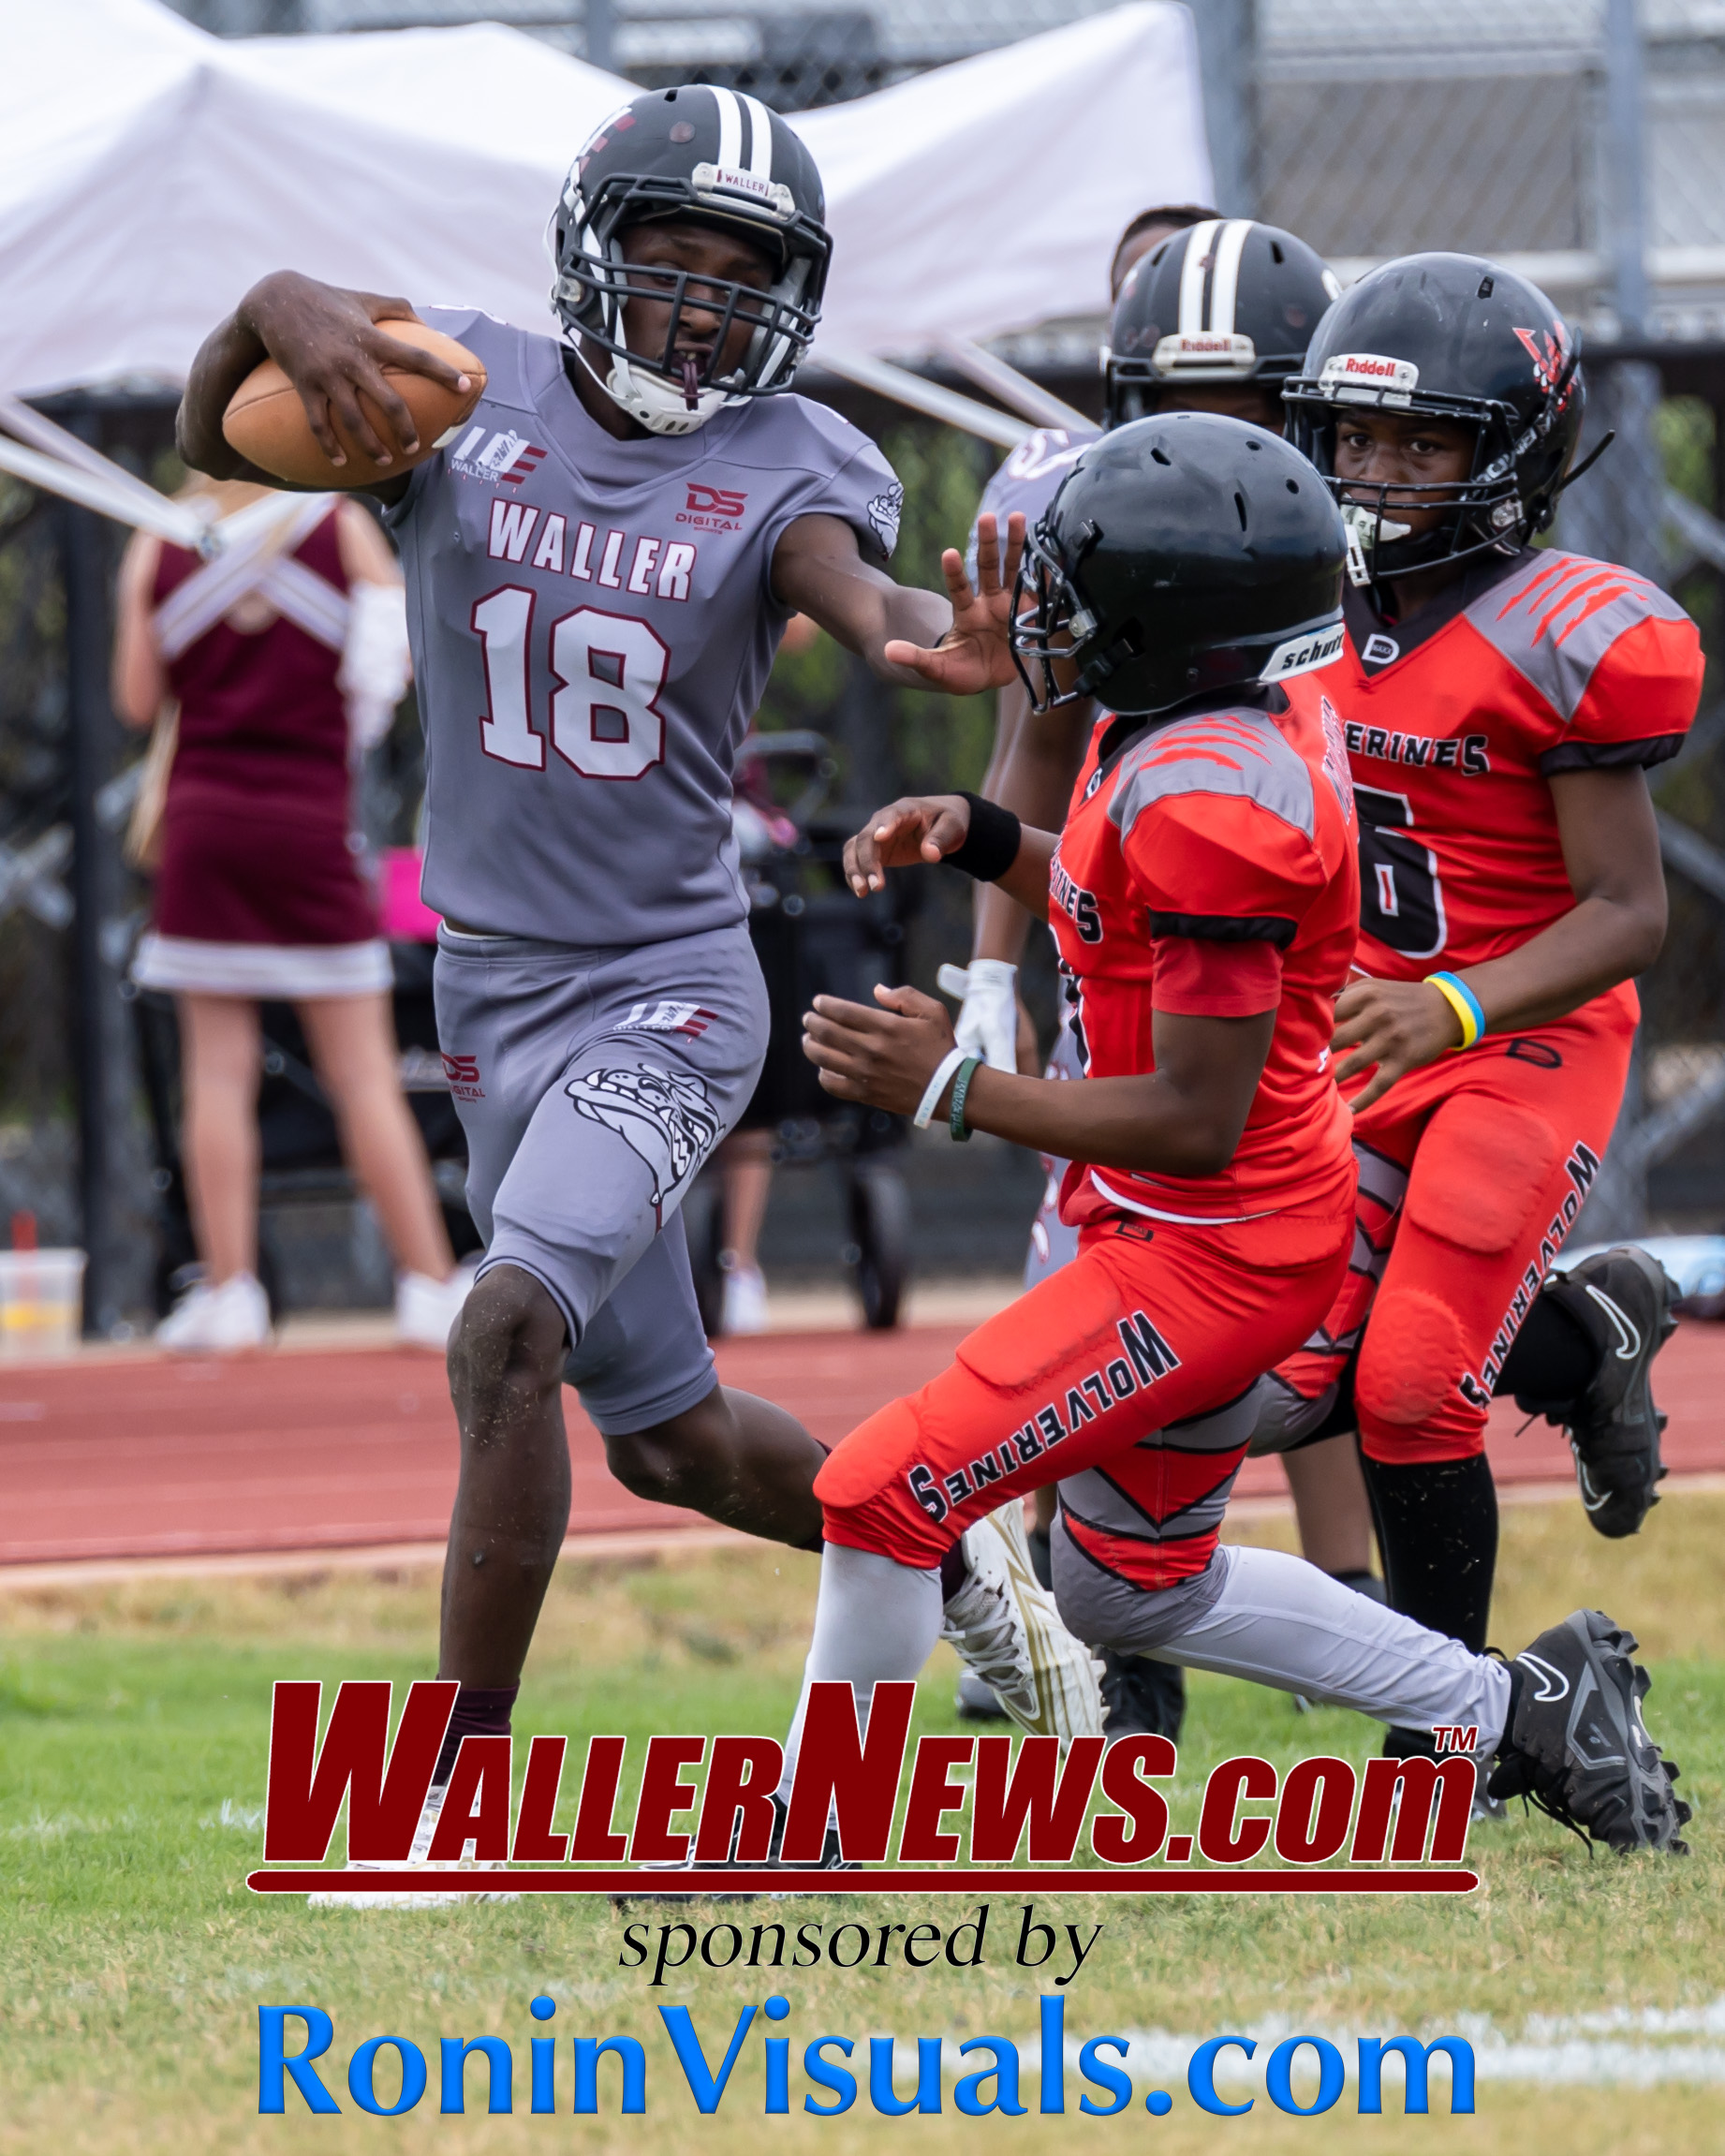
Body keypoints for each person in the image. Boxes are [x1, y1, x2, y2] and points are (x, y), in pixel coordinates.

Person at [176, 89, 1100, 1812]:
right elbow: (213, 422)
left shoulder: (790, 463)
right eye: (668, 262)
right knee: (666, 1438)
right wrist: (283, 296)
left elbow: (865, 603)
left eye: (739, 275)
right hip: (488, 987)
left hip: (667, 986)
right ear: (591, 258)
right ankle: (960, 1559)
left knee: (504, 1325)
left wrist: (932, 647)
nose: (698, 305)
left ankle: (451, 1790)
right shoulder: (457, 388)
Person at [770, 413, 1689, 1867]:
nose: (1045, 623)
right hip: (1199, 1226)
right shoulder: (1203, 733)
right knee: (1130, 1587)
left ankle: (808, 1833)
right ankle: (1521, 1704)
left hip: (1202, 1249)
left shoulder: (1215, 792)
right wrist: (978, 825)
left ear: (1165, 620)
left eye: (1075, 590)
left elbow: (1195, 1118)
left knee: (879, 1485)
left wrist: (948, 1089)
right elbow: (1108, 897)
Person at [1260, 253, 1703, 1776]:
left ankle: (1437, 1728)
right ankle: (1584, 1338)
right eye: (1357, 438)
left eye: (1422, 442)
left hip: (1516, 1030)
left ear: (1508, 452)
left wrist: (1449, 1004)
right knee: (1289, 1367)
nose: (1376, 473)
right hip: (1371, 1031)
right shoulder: (1297, 605)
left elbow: (1628, 914)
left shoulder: (1564, 633)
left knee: (1404, 1380)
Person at [952, 216, 1357, 1740]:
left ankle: (1358, 1615)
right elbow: (1036, 733)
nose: (1215, 441)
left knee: (1331, 1311)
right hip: (1154, 946)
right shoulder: (1095, 518)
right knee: (1112, 1287)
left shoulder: (1351, 535)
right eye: (1180, 400)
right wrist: (991, 976)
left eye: (1255, 404)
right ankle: (1111, 1655)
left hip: (1321, 953)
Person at [112, 478, 471, 1353]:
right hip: (310, 823)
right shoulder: (339, 528)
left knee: (217, 1074)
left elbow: (135, 697)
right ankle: (426, 1281)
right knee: (361, 1073)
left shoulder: (158, 538)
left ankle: (231, 1290)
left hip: (202, 824)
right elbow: (391, 675)